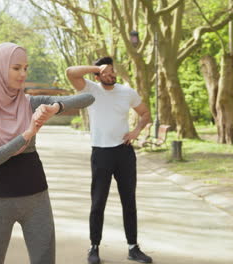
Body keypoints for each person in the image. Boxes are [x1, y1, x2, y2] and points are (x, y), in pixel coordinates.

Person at [0, 42, 94, 264]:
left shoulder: (29, 102)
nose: (23, 74)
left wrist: (56, 108)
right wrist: (27, 134)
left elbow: (89, 98)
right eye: (16, 68)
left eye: (26, 68)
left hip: (36, 199)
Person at [66, 56, 153, 264]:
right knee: (98, 202)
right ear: (97, 74)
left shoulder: (127, 92)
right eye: (106, 72)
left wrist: (136, 131)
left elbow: (145, 113)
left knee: (129, 201)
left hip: (124, 153)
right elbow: (70, 72)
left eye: (112, 70)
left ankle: (133, 247)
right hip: (101, 154)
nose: (111, 74)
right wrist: (97, 68)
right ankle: (94, 247)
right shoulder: (90, 89)